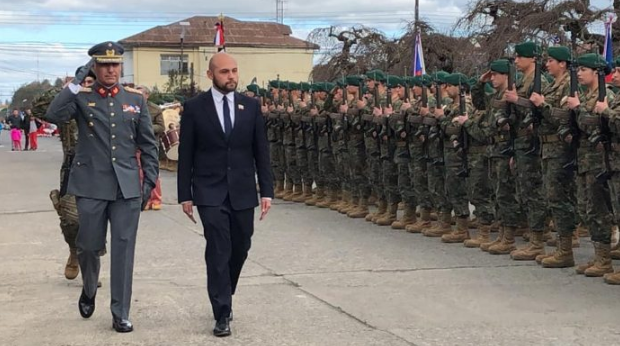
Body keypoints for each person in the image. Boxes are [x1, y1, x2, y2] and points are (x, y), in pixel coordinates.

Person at [46, 41, 159, 333]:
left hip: (126, 189)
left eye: (115, 64)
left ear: (120, 66)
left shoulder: (135, 99)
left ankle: (120, 312)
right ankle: (88, 287)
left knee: (123, 250)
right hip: (91, 185)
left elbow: (148, 145)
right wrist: (76, 80)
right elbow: (54, 114)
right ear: (94, 67)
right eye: (104, 64)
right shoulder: (81, 98)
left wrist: (148, 182)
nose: (111, 69)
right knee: (87, 246)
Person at [177, 52, 273, 337]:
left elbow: (261, 152)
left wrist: (267, 190)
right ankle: (221, 312)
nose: (231, 76)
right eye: (224, 72)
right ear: (210, 75)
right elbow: (186, 155)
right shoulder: (195, 108)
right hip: (209, 190)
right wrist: (186, 195)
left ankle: (225, 292)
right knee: (218, 248)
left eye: (234, 71)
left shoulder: (251, 106)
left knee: (240, 246)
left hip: (243, 190)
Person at [135, 85, 165, 210]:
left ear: (147, 95)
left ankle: (156, 199)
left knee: (152, 173)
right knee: (140, 174)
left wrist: (146, 128)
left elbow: (161, 127)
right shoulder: (132, 107)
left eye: (141, 94)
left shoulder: (155, 109)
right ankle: (145, 199)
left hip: (151, 144)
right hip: (136, 145)